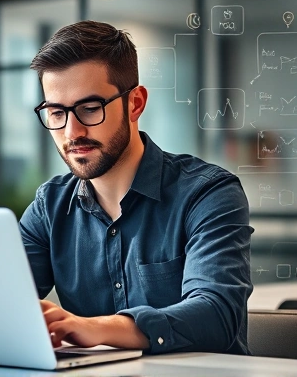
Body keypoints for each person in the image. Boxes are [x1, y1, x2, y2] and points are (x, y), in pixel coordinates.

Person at [19, 20, 254, 355]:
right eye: (56, 112)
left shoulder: (208, 194)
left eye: (90, 109)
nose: (71, 132)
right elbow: (0, 304)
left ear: (135, 104)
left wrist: (95, 328)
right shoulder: (49, 207)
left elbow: (217, 315)